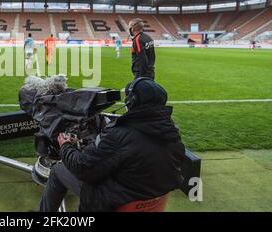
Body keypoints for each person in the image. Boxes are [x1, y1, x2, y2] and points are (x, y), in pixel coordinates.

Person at [39, 78, 186, 212]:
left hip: (113, 203)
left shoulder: (119, 135)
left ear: (131, 102)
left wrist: (65, 146)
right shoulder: (173, 131)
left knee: (58, 170)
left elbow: (82, 168)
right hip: (154, 202)